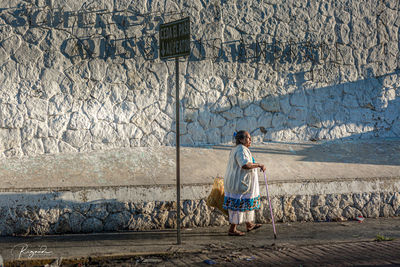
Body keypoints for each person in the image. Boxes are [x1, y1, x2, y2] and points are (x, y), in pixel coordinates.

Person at [223, 130, 266, 236]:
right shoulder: (241, 150)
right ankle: (232, 229)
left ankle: (249, 224)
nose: (250, 140)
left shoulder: (240, 149)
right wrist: (259, 165)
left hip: (241, 182)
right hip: (239, 183)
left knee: (245, 202)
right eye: (248, 138)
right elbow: (244, 165)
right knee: (238, 204)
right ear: (241, 139)